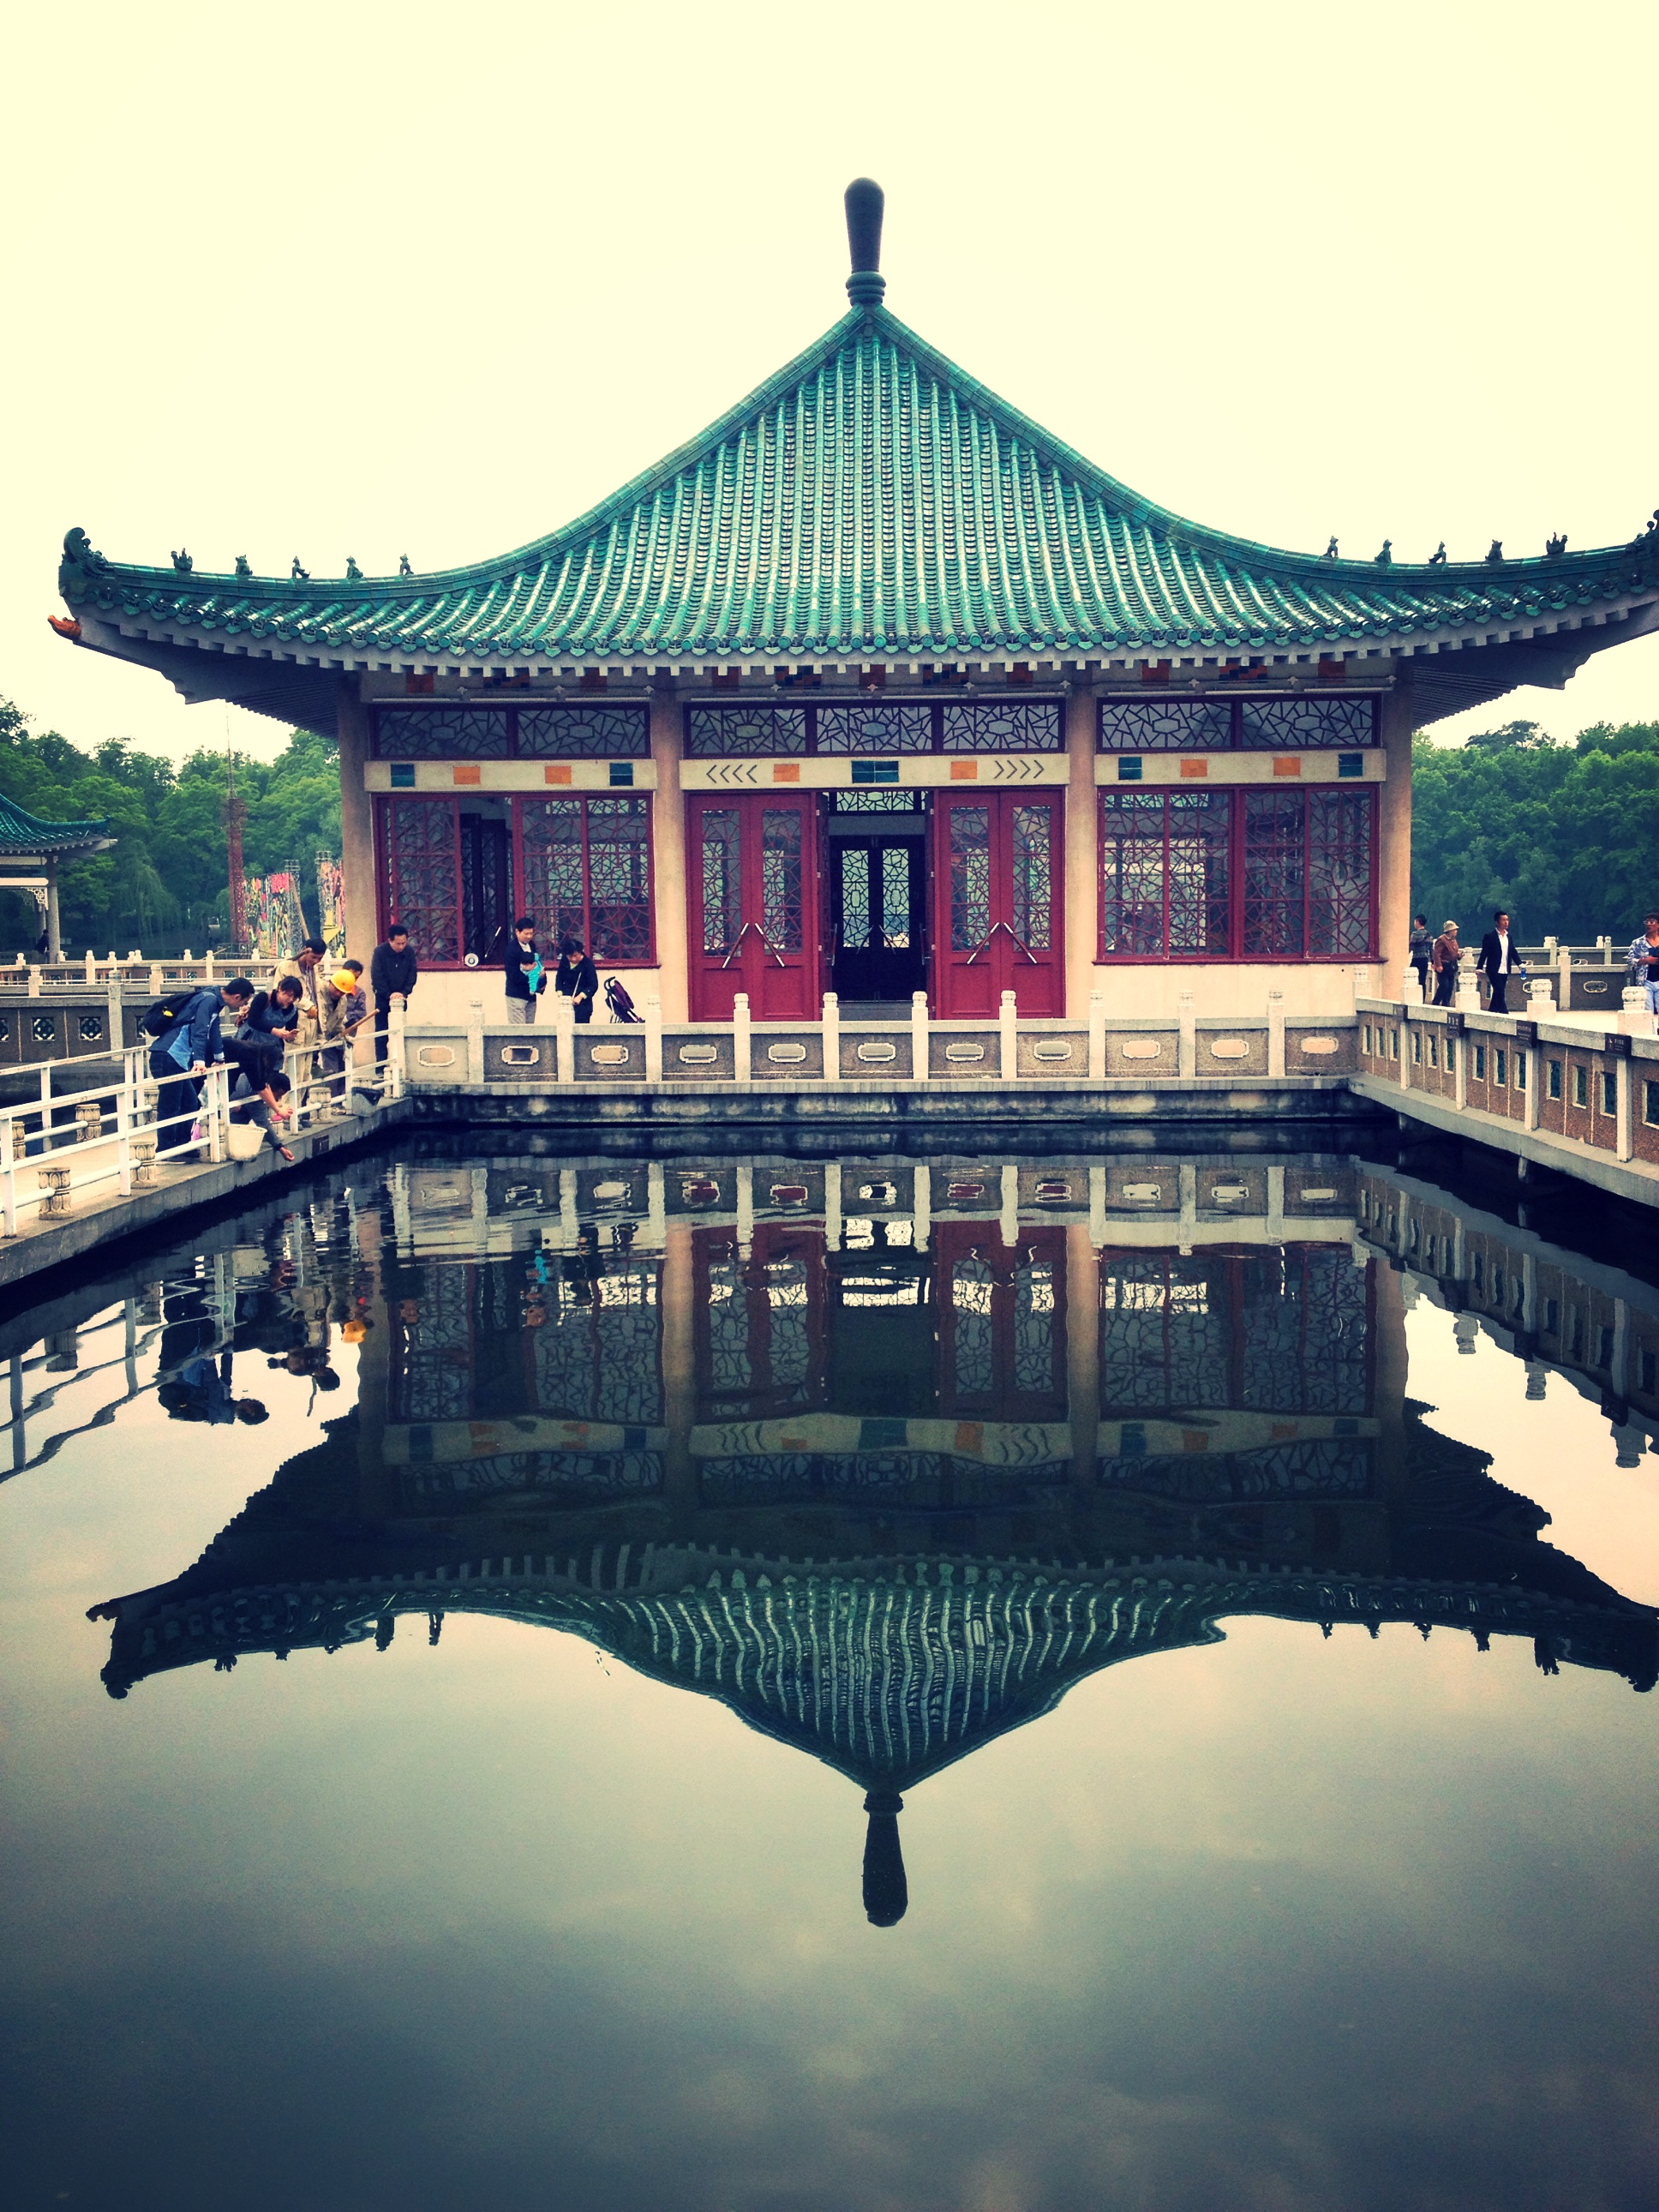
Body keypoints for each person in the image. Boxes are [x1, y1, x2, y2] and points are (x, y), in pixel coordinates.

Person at [149, 978, 253, 1154]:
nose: (243, 1006)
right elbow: (200, 1031)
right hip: (168, 1055)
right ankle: (166, 1149)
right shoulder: (208, 1000)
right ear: (237, 997)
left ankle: (184, 1146)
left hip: (178, 1059)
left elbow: (214, 1032)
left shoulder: (215, 1002)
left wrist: (220, 1059)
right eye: (244, 1001)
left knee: (190, 1102)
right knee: (170, 1105)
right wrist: (199, 1062)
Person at [319, 959, 368, 1105]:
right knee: (331, 1068)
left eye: (356, 977)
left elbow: (361, 1013)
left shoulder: (358, 994)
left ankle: (342, 1098)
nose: (352, 979)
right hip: (328, 1035)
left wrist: (346, 1019)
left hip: (347, 1034)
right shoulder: (322, 991)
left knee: (344, 1066)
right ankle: (333, 1100)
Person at [229, 1056, 296, 1163]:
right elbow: (262, 1122)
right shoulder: (255, 1093)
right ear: (270, 1089)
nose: (277, 1099)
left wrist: (278, 1107)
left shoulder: (256, 1078)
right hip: (228, 1120)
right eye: (278, 1095)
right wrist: (280, 1147)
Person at [370, 923, 417, 1066]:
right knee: (381, 1033)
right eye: (398, 943)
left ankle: (401, 1064)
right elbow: (377, 976)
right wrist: (388, 994)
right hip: (383, 998)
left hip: (401, 998)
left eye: (404, 943)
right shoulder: (380, 952)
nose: (401, 946)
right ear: (390, 941)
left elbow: (412, 974)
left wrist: (403, 993)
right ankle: (380, 1066)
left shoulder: (409, 952)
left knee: (400, 1031)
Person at [504, 915, 545, 1023]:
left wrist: (541, 982)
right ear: (517, 932)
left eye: (531, 933)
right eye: (526, 934)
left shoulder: (532, 945)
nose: (529, 936)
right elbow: (513, 975)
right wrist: (533, 978)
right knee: (519, 1030)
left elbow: (538, 965)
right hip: (516, 995)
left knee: (530, 1028)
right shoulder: (511, 950)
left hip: (531, 996)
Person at [244, 974, 304, 1046]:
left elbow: (290, 1030)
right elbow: (252, 1021)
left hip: (273, 1045)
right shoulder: (263, 998)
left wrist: (290, 1037)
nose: (291, 999)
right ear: (280, 989)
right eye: (289, 995)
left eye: (295, 998)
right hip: (251, 1041)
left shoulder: (293, 1011)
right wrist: (274, 1031)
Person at [1476, 908, 1518, 1015]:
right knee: (1499, 991)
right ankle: (1505, 1013)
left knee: (1498, 992)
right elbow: (1484, 953)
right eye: (1503, 920)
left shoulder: (1509, 937)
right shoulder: (1490, 936)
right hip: (1494, 969)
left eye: (1507, 920)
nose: (1506, 922)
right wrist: (1479, 967)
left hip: (1505, 969)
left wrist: (1520, 964)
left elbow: (1512, 951)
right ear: (1497, 922)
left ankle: (1492, 1012)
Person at [554, 934, 598, 1024]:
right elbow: (559, 978)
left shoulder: (587, 964)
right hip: (567, 1002)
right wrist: (560, 992)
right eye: (570, 956)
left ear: (580, 952)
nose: (573, 959)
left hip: (583, 1005)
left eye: (575, 955)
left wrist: (581, 996)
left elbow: (593, 985)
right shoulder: (564, 961)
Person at [1626, 913, 1659, 1014]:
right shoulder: (1638, 942)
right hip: (1645, 981)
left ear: (1658, 925)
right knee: (1648, 1011)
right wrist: (1645, 961)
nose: (1648, 924)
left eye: (1651, 922)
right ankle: (1650, 1025)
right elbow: (1630, 960)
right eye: (1647, 922)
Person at [1430, 920, 1460, 1007]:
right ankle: (1436, 1002)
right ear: (1450, 931)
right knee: (1444, 985)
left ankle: (1446, 1004)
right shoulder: (1442, 940)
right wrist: (1438, 965)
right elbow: (1437, 954)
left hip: (1452, 966)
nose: (1456, 931)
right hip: (1444, 966)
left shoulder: (1453, 940)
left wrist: (1458, 955)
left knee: (1450, 987)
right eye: (1454, 930)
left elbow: (1454, 952)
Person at [1408, 914, 1432, 998]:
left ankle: (1412, 997)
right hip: (1425, 959)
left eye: (1415, 922)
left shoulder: (1415, 934)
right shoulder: (1428, 934)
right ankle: (1422, 998)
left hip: (1416, 959)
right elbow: (1431, 949)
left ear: (1418, 922)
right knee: (1422, 980)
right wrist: (1433, 961)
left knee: (1411, 978)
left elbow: (1411, 947)